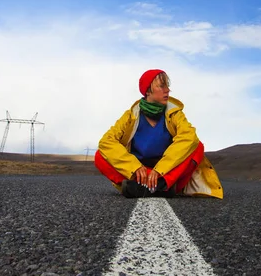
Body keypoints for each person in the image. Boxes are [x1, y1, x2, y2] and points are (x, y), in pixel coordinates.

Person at [95, 69, 223, 199]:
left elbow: (189, 137)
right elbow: (107, 141)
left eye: (167, 86)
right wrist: (134, 167)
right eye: (161, 86)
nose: (167, 90)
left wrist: (160, 170)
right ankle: (156, 187)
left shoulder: (175, 113)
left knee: (197, 147)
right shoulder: (131, 116)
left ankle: (159, 185)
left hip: (165, 171)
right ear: (148, 91)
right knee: (100, 155)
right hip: (139, 171)